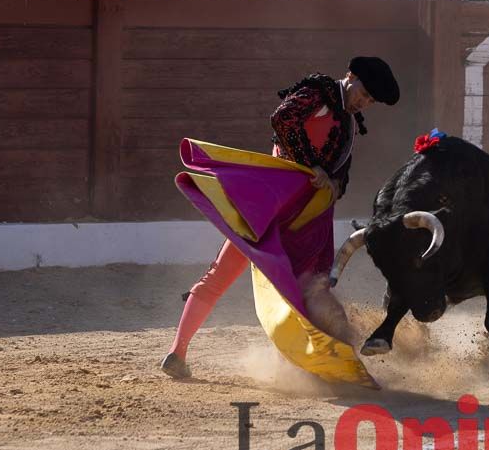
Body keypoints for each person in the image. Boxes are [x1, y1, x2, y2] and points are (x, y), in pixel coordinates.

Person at [160, 55, 400, 380]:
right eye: (364, 93)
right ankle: (178, 352)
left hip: (298, 217)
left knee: (304, 287)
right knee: (228, 275)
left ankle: (330, 364)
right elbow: (282, 119)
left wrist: (331, 184)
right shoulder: (318, 93)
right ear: (350, 76)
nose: (364, 102)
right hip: (271, 204)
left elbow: (339, 178)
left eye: (370, 100)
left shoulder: (348, 125)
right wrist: (311, 165)